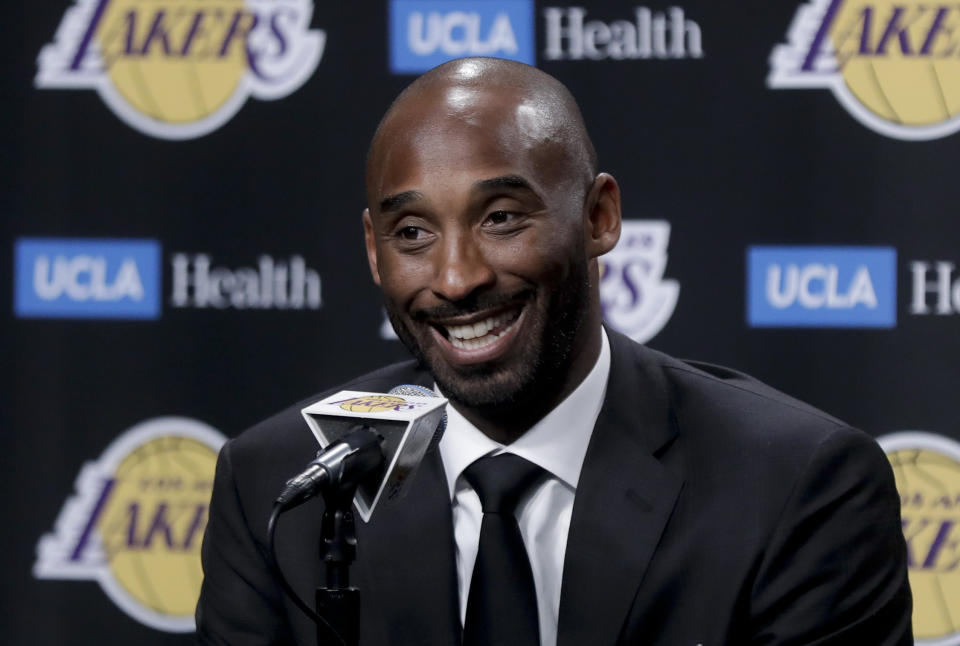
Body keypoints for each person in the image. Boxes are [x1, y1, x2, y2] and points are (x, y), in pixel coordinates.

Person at [196, 57, 912, 645]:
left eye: (502, 218)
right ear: (374, 253)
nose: (456, 278)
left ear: (598, 217)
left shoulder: (796, 486)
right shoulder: (277, 489)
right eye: (412, 232)